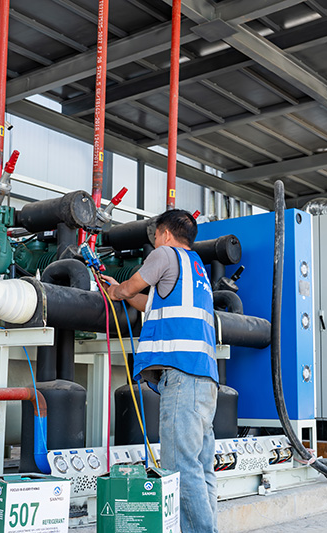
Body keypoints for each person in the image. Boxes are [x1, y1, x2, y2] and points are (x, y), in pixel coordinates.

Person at [102, 209, 219, 533]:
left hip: (182, 376)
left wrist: (116, 291)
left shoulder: (165, 254)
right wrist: (127, 293)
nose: (155, 242)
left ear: (165, 234)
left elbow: (132, 286)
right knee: (201, 467)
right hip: (205, 380)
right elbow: (152, 304)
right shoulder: (196, 268)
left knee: (180, 465)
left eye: (155, 236)